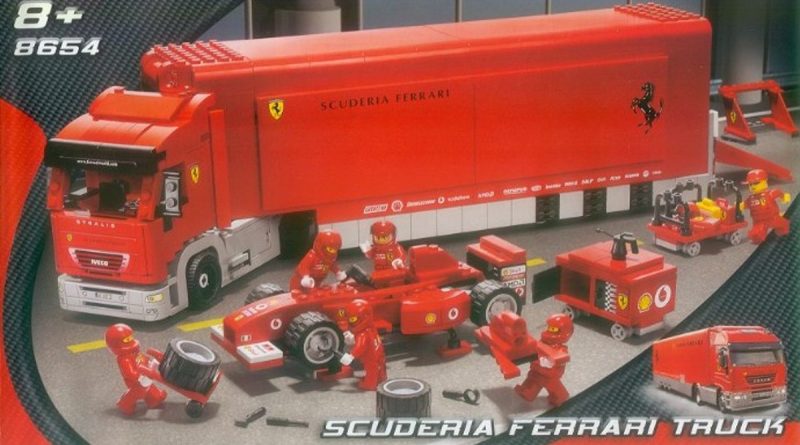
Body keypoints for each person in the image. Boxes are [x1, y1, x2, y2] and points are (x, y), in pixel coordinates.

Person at [105, 323, 167, 415]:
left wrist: (149, 363)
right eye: (127, 339)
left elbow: (142, 359)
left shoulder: (135, 353)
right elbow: (129, 373)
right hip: (135, 381)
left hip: (144, 375)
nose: (131, 340)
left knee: (149, 387)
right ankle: (125, 404)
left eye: (131, 337)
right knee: (136, 393)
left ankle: (154, 399)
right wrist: (139, 376)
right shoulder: (125, 359)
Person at [514, 314, 573, 406]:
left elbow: (556, 361)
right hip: (538, 369)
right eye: (549, 328)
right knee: (532, 377)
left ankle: (561, 396)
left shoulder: (561, 349)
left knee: (552, 385)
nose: (549, 331)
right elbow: (536, 348)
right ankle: (527, 390)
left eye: (553, 329)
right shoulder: (543, 341)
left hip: (550, 373)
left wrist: (539, 360)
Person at [339, 299, 387, 391]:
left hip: (370, 357)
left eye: (353, 319)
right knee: (380, 366)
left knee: (372, 370)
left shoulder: (362, 334)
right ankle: (381, 378)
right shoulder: (371, 328)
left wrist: (350, 356)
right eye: (349, 319)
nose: (350, 322)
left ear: (364, 317)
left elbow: (360, 347)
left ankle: (370, 385)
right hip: (378, 352)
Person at [740, 169, 791, 244]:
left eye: (756, 183)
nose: (752, 186)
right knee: (756, 235)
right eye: (750, 184)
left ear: (765, 182)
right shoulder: (750, 199)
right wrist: (740, 206)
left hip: (773, 218)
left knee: (784, 225)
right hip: (758, 222)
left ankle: (784, 233)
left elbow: (779, 193)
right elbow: (744, 204)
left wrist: (785, 197)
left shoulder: (770, 194)